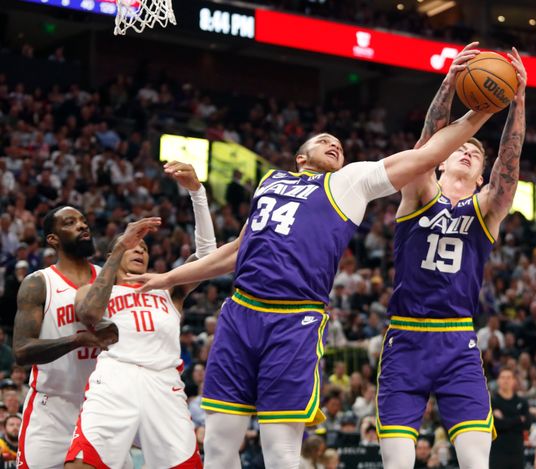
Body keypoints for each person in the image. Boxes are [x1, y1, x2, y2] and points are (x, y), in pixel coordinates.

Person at [126, 57, 495, 469]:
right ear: (301, 157)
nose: (334, 143)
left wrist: (481, 107)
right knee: (218, 443)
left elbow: (427, 154)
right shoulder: (270, 182)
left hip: (293, 319)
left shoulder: (348, 182)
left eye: (339, 143)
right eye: (324, 140)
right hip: (240, 312)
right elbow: (236, 250)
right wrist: (165, 278)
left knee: (280, 450)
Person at [376, 44, 526, 469]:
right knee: (397, 463)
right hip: (405, 337)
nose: (467, 151)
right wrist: (448, 84)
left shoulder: (486, 209)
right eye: (461, 149)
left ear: (481, 176)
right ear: (440, 165)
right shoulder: (419, 192)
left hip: (457, 340)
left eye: (476, 153)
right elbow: (428, 141)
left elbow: (510, 164)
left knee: (477, 462)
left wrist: (518, 102)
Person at [65, 162, 214, 468]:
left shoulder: (167, 288)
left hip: (164, 383)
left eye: (144, 247)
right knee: (82, 464)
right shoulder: (94, 290)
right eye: (133, 245)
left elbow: (208, 258)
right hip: (116, 378)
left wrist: (197, 193)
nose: (140, 249)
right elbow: (89, 313)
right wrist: (121, 245)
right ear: (114, 254)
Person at [12, 206, 119, 469]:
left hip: (101, 407)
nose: (82, 226)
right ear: (53, 239)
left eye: (83, 220)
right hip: (52, 408)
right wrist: (77, 340)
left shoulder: (110, 280)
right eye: (71, 223)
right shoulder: (39, 283)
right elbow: (22, 351)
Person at [490, 368, 531, 469]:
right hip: (497, 453)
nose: (506, 380)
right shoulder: (492, 402)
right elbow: (496, 425)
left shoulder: (522, 402)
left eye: (509, 378)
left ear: (514, 381)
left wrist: (504, 420)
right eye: (503, 377)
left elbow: (527, 425)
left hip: (517, 453)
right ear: (498, 380)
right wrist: (518, 419)